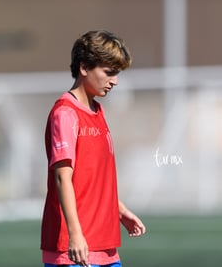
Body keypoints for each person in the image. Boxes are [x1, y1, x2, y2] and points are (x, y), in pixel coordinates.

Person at [41, 30, 146, 267]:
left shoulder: (99, 112)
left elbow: (92, 178)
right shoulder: (65, 113)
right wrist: (75, 235)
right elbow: (62, 179)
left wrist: (119, 210)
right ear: (84, 67)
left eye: (117, 74)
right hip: (75, 250)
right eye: (109, 73)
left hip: (105, 247)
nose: (115, 81)